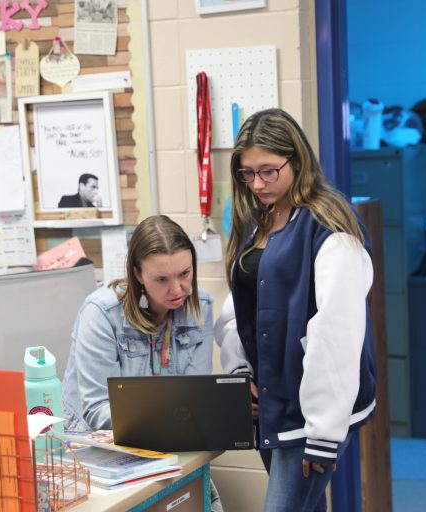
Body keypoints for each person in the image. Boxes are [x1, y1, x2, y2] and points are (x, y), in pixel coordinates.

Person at [214, 108, 376, 511]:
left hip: (313, 412)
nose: (258, 183)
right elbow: (239, 305)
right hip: (273, 401)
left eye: (269, 171)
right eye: (247, 174)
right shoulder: (260, 219)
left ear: (297, 161)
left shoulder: (329, 226)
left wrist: (324, 432)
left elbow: (336, 332)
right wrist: (240, 372)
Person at [61, 214, 223, 509]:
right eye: (161, 279)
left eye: (185, 274)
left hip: (163, 448)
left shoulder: (202, 306)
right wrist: (176, 418)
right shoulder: (102, 313)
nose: (177, 290)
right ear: (138, 274)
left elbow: (196, 394)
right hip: (98, 453)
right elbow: (98, 409)